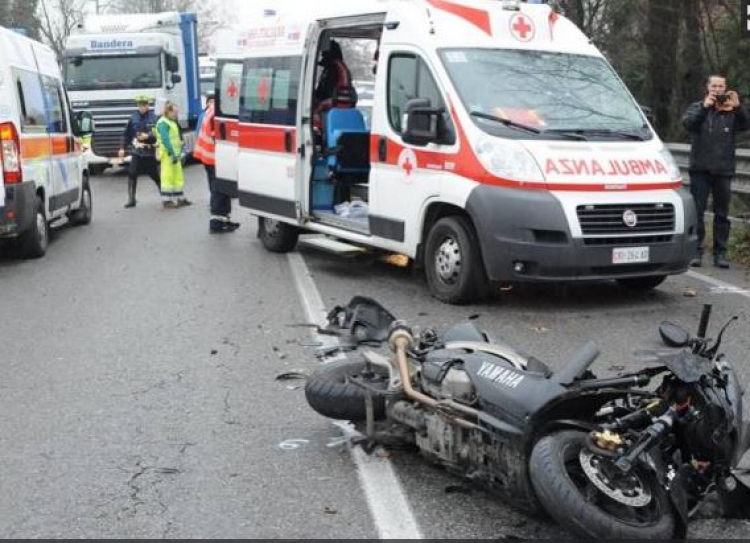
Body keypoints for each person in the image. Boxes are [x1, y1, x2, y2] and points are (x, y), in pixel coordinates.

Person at [682, 75, 750, 269]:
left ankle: (720, 254)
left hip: (724, 169)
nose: (717, 89)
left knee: (722, 213)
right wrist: (705, 107)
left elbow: (746, 125)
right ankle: (696, 251)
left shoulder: (731, 111)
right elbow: (688, 124)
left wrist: (738, 107)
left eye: (721, 86)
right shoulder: (697, 107)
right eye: (714, 85)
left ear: (726, 88)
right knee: (698, 212)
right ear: (708, 87)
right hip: (700, 169)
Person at [193, 94, 239, 233]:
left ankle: (224, 220)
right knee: (218, 190)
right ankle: (216, 224)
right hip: (214, 158)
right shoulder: (216, 115)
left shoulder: (212, 109)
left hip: (209, 157)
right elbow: (217, 138)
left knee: (222, 189)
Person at [118, 95, 160, 208]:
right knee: (132, 172)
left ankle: (164, 192)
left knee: (154, 174)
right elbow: (126, 134)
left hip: (149, 151)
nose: (142, 107)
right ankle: (131, 199)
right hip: (137, 151)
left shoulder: (154, 117)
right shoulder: (133, 117)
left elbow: (158, 134)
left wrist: (148, 136)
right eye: (140, 105)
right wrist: (122, 148)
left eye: (144, 105)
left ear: (148, 105)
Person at [312, 40, 356, 136]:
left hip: (333, 106)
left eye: (324, 54)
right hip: (343, 107)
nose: (322, 57)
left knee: (312, 112)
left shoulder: (333, 69)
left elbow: (325, 91)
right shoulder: (340, 66)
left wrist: (313, 96)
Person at [155, 102, 191, 209]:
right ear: (169, 111)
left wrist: (180, 145)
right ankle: (167, 201)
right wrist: (172, 153)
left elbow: (173, 138)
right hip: (168, 155)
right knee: (167, 178)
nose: (176, 114)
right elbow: (165, 140)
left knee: (177, 177)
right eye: (175, 112)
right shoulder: (163, 123)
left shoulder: (171, 121)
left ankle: (180, 198)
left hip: (175, 154)